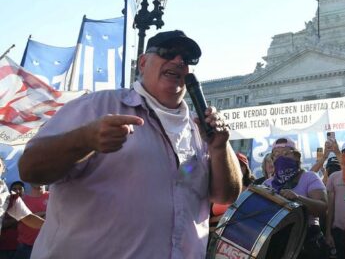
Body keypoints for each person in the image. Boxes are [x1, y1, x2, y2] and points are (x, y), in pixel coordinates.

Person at [18, 30, 242, 259]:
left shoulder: (200, 131)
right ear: (143, 62)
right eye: (168, 52)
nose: (178, 61)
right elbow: (30, 170)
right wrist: (85, 140)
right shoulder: (97, 106)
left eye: (187, 59)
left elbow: (225, 196)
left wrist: (219, 148)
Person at [264, 138, 329, 259]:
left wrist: (298, 198)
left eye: (286, 153)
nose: (281, 158)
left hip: (308, 242)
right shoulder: (267, 184)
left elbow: (323, 208)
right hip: (278, 243)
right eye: (276, 155)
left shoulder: (310, 177)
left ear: (297, 157)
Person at [210, 152, 255, 233]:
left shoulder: (251, 190)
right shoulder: (214, 187)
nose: (236, 167)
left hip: (237, 235)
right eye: (232, 164)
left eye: (240, 165)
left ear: (246, 169)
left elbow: (247, 216)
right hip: (211, 235)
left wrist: (218, 219)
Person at [13, 184, 48, 259]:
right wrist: (44, 213)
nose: (39, 181)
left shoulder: (54, 197)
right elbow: (23, 218)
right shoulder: (22, 199)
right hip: (26, 246)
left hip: (46, 246)